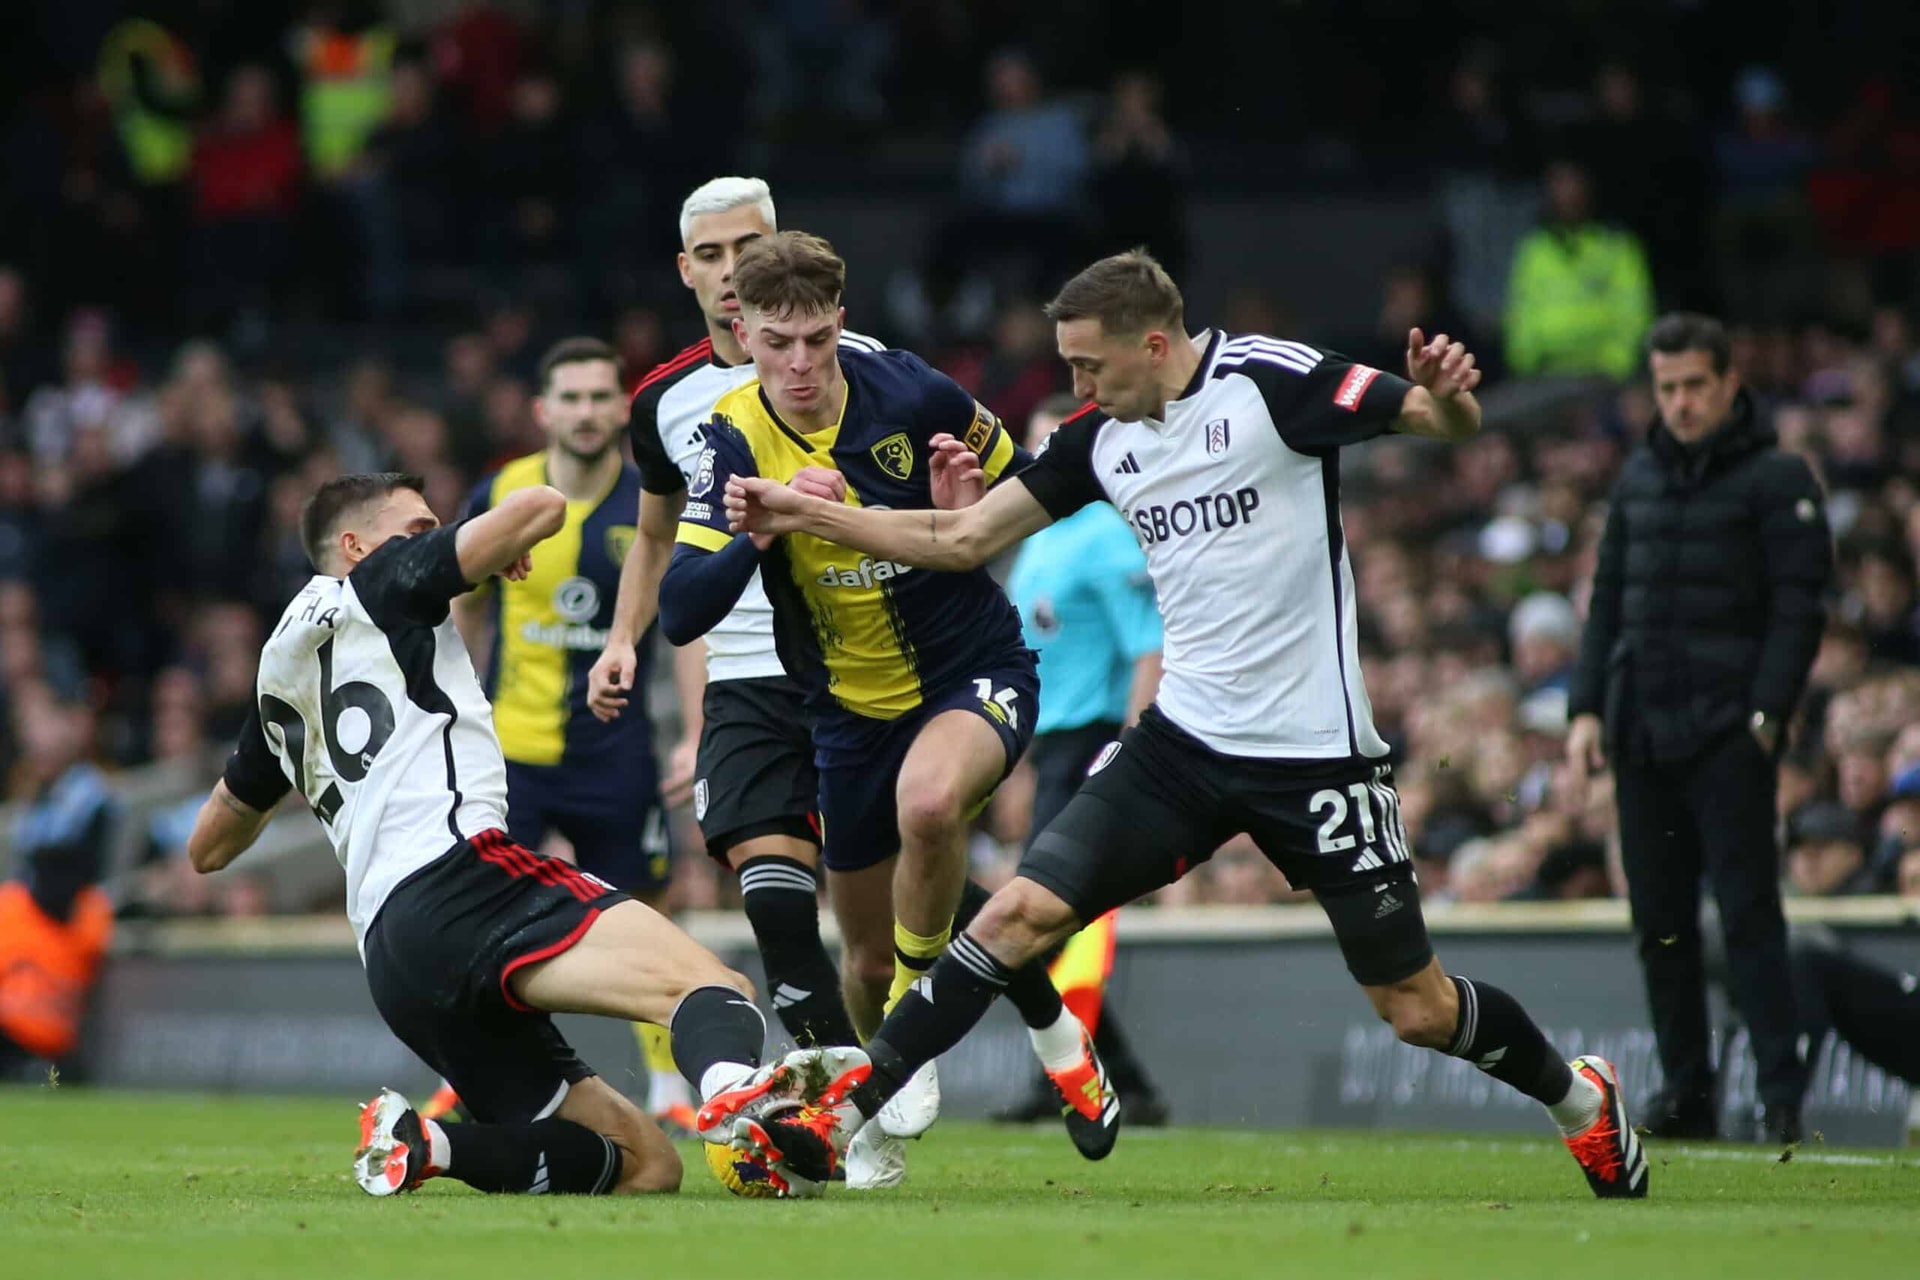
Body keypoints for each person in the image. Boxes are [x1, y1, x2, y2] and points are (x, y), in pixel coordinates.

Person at [725, 248, 1648, 1200]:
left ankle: (1578, 1099)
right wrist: (804, 517)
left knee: (1414, 1007)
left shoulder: (1270, 384)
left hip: (1315, 759)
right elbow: (960, 538)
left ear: (1154, 343)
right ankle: (842, 1116)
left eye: (1089, 367)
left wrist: (1448, 396)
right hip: (1183, 746)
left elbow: (1436, 418)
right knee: (1017, 915)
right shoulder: (1099, 438)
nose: (1075, 387)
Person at [185, 471, 868, 1199]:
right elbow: (541, 507)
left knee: (646, 1166)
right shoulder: (380, 583)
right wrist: (489, 545)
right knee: (717, 988)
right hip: (463, 876)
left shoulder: (276, 672)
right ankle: (739, 1094)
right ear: (354, 547)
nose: (431, 540)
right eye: (418, 529)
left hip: (392, 957)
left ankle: (428, 1144)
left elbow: (209, 846)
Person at [658, 230, 1104, 1184]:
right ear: (743, 330)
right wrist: (764, 527)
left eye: (818, 339)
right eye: (779, 342)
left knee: (933, 807)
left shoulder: (914, 390)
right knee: (856, 960)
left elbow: (1025, 486)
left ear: (841, 324)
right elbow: (680, 608)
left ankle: (912, 1023)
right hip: (845, 712)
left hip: (971, 669)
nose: (801, 363)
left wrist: (969, 503)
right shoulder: (732, 435)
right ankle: (936, 1084)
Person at [584, 178, 875, 1120]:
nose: (728, 273)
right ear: (685, 270)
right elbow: (658, 536)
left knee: (908, 898)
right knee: (778, 899)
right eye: (708, 256)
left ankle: (1029, 1003)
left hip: (861, 658)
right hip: (747, 672)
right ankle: (841, 1102)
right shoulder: (662, 401)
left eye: (745, 249)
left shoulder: (863, 366)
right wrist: (621, 640)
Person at [1566, 312, 1832, 1145]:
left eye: (1693, 387)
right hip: (1642, 729)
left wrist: (1767, 717)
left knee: (1750, 916)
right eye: (1666, 387)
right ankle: (1689, 1092)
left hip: (1728, 733)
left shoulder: (1778, 478)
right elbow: (1608, 600)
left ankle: (1780, 1094)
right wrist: (1584, 708)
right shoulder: (1639, 478)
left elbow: (1801, 607)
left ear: (1728, 384)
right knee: (1662, 923)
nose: (1679, 403)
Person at [438, 336, 682, 1129]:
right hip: (512, 755)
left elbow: (687, 626)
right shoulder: (502, 491)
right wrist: (453, 704)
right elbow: (462, 600)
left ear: (622, 407)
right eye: (569, 398)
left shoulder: (651, 499)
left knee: (645, 910)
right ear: (544, 411)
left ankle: (672, 1094)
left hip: (616, 751)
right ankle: (470, 1082)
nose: (585, 413)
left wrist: (696, 732)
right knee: (480, 918)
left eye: (599, 397)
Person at [995, 392, 1169, 1126]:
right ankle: (1119, 1077)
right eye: (1034, 445)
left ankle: (1069, 1077)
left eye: (1055, 443)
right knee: (1047, 919)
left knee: (1043, 915)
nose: (1042, 460)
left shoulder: (1104, 534)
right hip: (1051, 744)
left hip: (1097, 739)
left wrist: (1139, 745)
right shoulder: (1037, 538)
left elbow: (1148, 644)